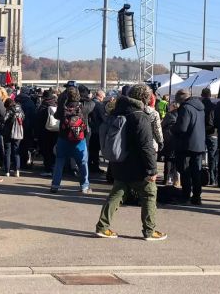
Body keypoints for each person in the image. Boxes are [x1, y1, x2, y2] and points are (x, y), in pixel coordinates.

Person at [94, 84, 166, 241]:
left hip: (119, 161)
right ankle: (149, 230)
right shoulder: (140, 116)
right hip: (138, 166)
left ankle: (102, 226)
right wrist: (152, 170)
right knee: (149, 194)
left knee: (116, 194)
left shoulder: (117, 111)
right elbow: (146, 146)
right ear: (144, 98)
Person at [50, 86, 91, 194]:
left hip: (63, 137)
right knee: (82, 163)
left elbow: (56, 116)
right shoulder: (82, 107)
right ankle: (84, 186)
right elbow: (91, 106)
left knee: (59, 161)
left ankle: (55, 185)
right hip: (79, 139)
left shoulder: (62, 108)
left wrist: (61, 101)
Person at [172, 89, 206, 206]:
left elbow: (182, 128)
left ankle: (186, 195)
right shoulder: (200, 107)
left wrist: (172, 128)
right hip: (199, 143)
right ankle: (197, 196)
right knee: (196, 171)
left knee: (185, 171)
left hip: (186, 144)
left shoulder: (185, 108)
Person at [36, 89, 59, 175]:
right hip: (56, 131)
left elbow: (38, 121)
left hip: (45, 132)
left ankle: (48, 169)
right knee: (54, 150)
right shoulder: (56, 105)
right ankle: (54, 167)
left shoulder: (43, 107)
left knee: (46, 151)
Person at [1, 97, 25, 178]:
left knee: (8, 151)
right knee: (16, 151)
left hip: (8, 133)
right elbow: (23, 118)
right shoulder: (20, 109)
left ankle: (7, 171)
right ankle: (17, 171)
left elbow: (4, 119)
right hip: (18, 133)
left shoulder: (9, 110)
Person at [200, 88, 218, 187]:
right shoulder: (214, 107)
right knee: (212, 157)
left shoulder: (200, 107)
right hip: (213, 134)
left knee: (199, 156)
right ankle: (212, 179)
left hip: (202, 133)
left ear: (202, 95)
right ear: (210, 95)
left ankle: (199, 177)